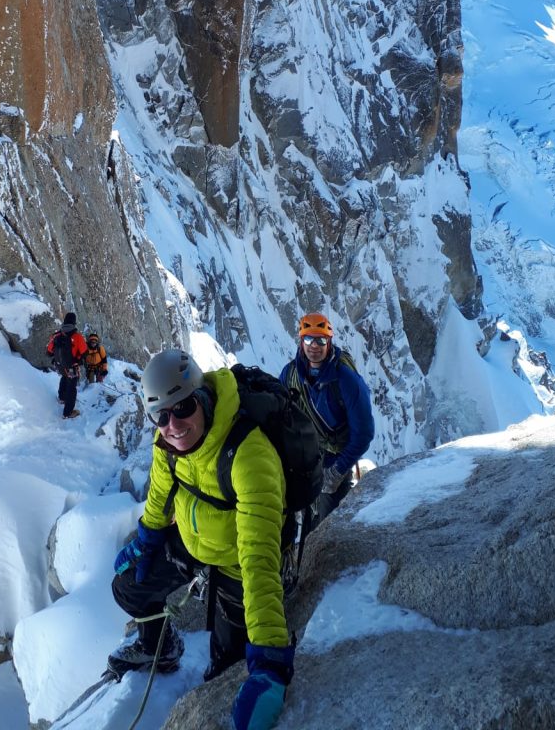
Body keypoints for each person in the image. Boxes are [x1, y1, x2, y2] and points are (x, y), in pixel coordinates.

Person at [109, 349, 295, 730]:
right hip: (193, 542)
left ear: (204, 399)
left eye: (182, 408)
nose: (173, 425)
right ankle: (158, 648)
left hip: (236, 561)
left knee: (226, 670)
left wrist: (270, 663)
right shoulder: (168, 444)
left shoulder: (249, 456)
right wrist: (146, 539)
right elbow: (160, 494)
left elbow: (259, 560)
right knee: (129, 588)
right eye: (160, 415)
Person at [280, 313, 374, 524]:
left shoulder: (346, 380)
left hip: (336, 461)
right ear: (300, 341)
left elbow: (364, 433)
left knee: (327, 522)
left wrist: (337, 471)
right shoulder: (291, 374)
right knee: (303, 518)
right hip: (305, 459)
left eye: (321, 339)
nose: (314, 345)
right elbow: (280, 414)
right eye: (308, 339)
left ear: (329, 341)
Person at [46, 312, 88, 420]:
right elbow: (85, 353)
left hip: (60, 365)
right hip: (72, 367)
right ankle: (68, 412)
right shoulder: (77, 337)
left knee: (64, 378)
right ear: (74, 322)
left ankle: (62, 398)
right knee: (72, 388)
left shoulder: (56, 335)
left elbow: (49, 352)